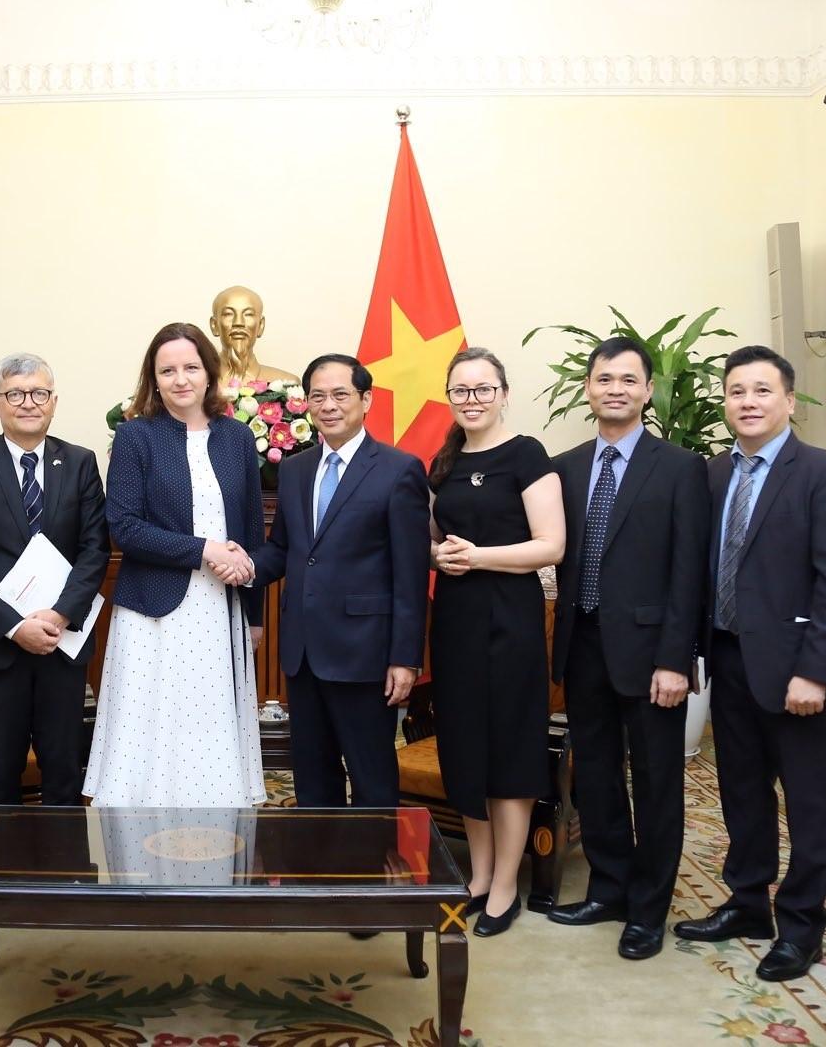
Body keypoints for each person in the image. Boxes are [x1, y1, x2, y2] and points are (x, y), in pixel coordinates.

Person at [674, 345, 826, 982]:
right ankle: (748, 902)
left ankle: (802, 925)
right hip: (729, 655)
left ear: (787, 400)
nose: (748, 402)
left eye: (761, 391)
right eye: (737, 391)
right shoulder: (712, 474)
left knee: (808, 799)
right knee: (741, 789)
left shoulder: (825, 472)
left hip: (796, 667)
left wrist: (817, 670)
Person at [545, 337, 709, 960]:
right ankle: (609, 888)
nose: (615, 389)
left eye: (628, 380)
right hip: (583, 643)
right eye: (604, 379)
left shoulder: (681, 467)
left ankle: (648, 909)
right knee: (596, 777)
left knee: (658, 783)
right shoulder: (564, 467)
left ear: (647, 391)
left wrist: (676, 659)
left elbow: (688, 572)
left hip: (651, 653)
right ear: (589, 389)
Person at [83, 323, 266, 807]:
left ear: (209, 372)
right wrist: (206, 550)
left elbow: (251, 532)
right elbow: (124, 527)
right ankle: (141, 838)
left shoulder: (237, 438)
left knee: (207, 722)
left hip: (220, 609)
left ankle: (212, 831)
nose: (180, 379)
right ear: (154, 379)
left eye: (190, 367)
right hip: (153, 612)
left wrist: (254, 615)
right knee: (151, 728)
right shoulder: (135, 437)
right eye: (167, 370)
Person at [246, 354, 428, 811]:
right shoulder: (295, 469)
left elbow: (411, 573)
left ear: (366, 400)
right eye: (318, 396)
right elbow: (284, 549)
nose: (328, 405)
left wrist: (405, 658)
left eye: (341, 395)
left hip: (366, 655)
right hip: (303, 653)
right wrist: (237, 564)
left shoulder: (399, 469)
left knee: (372, 782)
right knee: (313, 782)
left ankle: (373, 861)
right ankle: (321, 858)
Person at [426, 348, 564, 938]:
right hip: (455, 619)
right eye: (461, 391)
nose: (472, 400)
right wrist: (439, 556)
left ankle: (506, 883)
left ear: (504, 393)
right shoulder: (444, 461)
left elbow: (550, 545)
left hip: (510, 618)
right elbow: (434, 537)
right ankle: (479, 874)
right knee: (465, 749)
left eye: (483, 389)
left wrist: (478, 557)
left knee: (508, 748)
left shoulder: (527, 455)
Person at [0, 353, 108, 815]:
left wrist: (58, 615)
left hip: (61, 640)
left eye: (38, 393)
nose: (28, 403)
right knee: (0, 770)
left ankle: (62, 859)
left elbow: (94, 549)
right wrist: (16, 626)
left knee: (63, 767)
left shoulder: (79, 463)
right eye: (15, 394)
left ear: (53, 401)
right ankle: (4, 860)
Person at [209, 285, 298, 385]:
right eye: (228, 314)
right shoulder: (201, 383)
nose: (238, 322)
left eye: (248, 314)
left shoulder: (287, 384)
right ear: (214, 325)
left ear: (260, 325)